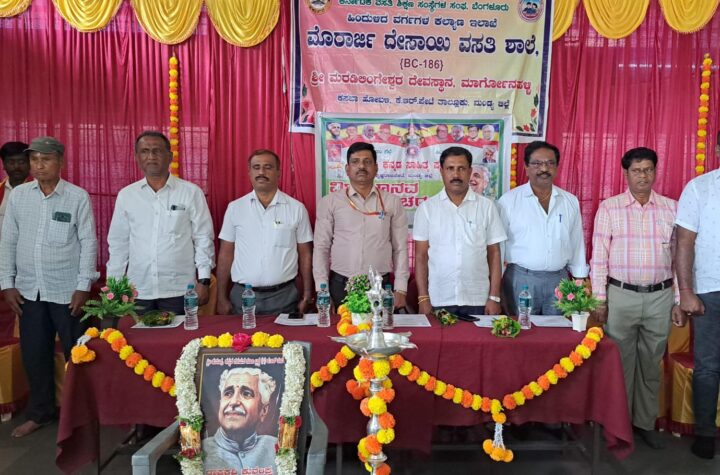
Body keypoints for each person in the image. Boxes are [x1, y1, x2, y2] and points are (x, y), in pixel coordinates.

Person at [0, 136, 98, 438]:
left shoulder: (77, 197)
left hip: (67, 291)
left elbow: (88, 242)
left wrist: (83, 285)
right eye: (34, 160)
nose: (39, 165)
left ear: (61, 162)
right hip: (28, 291)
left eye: (46, 159)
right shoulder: (19, 197)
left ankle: (83, 414)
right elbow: (8, 240)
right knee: (34, 354)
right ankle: (40, 413)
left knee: (77, 354)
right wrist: (7, 283)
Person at [590, 147, 685, 449]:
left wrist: (679, 300)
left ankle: (643, 423)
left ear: (656, 172)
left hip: (660, 297)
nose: (642, 176)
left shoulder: (672, 208)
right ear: (626, 173)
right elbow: (599, 258)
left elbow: (680, 259)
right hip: (621, 296)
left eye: (648, 170)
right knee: (619, 364)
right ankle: (618, 425)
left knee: (651, 363)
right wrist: (600, 299)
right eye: (636, 170)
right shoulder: (610, 208)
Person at [106, 131, 215, 315]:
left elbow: (203, 237)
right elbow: (118, 244)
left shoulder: (191, 193)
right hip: (137, 290)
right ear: (137, 157)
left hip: (180, 290)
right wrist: (114, 286)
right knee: (136, 335)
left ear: (170, 156)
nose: (151, 156)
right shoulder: (127, 195)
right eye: (145, 151)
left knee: (181, 335)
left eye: (157, 151)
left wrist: (204, 280)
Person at [217, 150, 313, 315]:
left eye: (268, 167)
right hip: (243, 297)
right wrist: (220, 297)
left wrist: (307, 294)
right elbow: (226, 254)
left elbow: (305, 254)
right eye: (256, 167)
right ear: (249, 172)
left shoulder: (296, 209)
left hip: (284, 297)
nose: (261, 172)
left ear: (278, 172)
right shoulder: (235, 208)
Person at [497, 141, 588, 316]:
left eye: (550, 163)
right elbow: (498, 248)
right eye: (537, 163)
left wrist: (579, 280)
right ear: (526, 167)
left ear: (557, 167)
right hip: (520, 280)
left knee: (557, 330)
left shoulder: (569, 201)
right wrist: (495, 289)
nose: (544, 169)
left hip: (559, 282)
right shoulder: (508, 201)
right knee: (521, 330)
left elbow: (576, 244)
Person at [414, 146, 506, 318]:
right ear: (441, 171)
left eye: (461, 168)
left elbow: (494, 253)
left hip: (478, 299)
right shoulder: (427, 209)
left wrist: (494, 297)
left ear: (470, 171)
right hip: (439, 298)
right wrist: (423, 298)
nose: (456, 174)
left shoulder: (486, 207)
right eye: (450, 168)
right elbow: (421, 256)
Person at [314, 142, 409, 308]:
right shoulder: (330, 202)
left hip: (379, 286)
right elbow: (321, 247)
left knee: (379, 326)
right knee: (342, 325)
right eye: (355, 162)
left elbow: (400, 248)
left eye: (367, 161)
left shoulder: (392, 202)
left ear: (376, 168)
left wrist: (401, 288)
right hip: (341, 286)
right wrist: (322, 290)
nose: (361, 166)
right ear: (347, 169)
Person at [675, 140, 720, 459]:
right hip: (709, 288)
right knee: (708, 365)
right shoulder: (700, 188)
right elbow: (684, 242)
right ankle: (705, 434)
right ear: (717, 150)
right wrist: (686, 292)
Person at [203, 367, 278, 474]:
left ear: (263, 410)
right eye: (228, 393)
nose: (233, 402)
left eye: (246, 394)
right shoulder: (200, 450)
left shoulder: (276, 447)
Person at [0, 141, 30, 234]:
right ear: (4, 165)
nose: (16, 167)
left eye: (22, 162)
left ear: (30, 164)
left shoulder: (41, 190)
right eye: (11, 162)